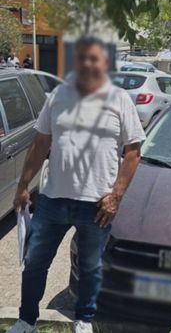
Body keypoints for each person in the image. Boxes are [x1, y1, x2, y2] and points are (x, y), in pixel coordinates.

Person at [7, 36, 145, 333]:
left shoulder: (119, 99)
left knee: (90, 267)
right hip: (53, 199)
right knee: (34, 263)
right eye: (82, 59)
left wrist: (116, 196)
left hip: (97, 204)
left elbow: (133, 152)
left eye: (94, 59)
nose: (88, 64)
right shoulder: (58, 97)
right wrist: (23, 185)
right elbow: (41, 142)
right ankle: (26, 319)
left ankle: (84, 319)